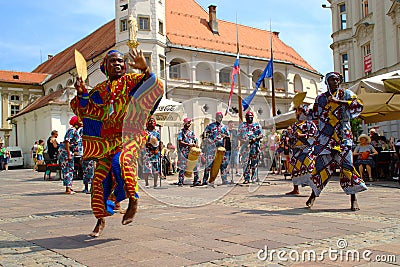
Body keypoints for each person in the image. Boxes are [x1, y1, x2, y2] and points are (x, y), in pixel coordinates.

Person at [71, 49, 163, 237]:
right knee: (98, 181)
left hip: (129, 137)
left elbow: (155, 87)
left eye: (121, 60)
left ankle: (133, 201)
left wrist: (146, 69)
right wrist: (82, 95)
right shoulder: (99, 90)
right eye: (113, 61)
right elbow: (87, 111)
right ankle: (100, 220)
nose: (117, 64)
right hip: (106, 143)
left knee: (120, 162)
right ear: (105, 65)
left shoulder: (132, 82)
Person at [308, 72, 367, 211]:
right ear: (326, 82)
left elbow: (358, 106)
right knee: (321, 167)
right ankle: (313, 196)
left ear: (340, 81)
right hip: (325, 138)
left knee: (347, 167)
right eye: (331, 79)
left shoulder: (346, 94)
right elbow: (314, 114)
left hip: (343, 137)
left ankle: (353, 199)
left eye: (336, 79)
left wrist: (338, 102)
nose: (334, 81)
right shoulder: (320, 98)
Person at [285, 104, 317, 195]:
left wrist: (302, 136)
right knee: (295, 169)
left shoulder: (310, 123)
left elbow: (315, 135)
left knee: (309, 169)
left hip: (306, 149)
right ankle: (296, 189)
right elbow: (292, 135)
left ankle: (313, 189)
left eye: (300, 111)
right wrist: (289, 139)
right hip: (296, 150)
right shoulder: (295, 124)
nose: (298, 113)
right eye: (297, 111)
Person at [201, 112, 230, 185]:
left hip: (221, 148)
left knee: (223, 164)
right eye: (218, 117)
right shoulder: (210, 126)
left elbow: (228, 137)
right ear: (216, 117)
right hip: (211, 148)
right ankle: (205, 180)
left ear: (222, 117)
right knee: (209, 164)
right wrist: (207, 140)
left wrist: (225, 136)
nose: (219, 118)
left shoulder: (224, 127)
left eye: (220, 117)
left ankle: (224, 179)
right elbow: (204, 135)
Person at [238, 111, 263, 184]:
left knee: (254, 163)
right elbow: (238, 135)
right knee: (245, 163)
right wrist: (243, 140)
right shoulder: (242, 125)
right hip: (245, 147)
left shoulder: (257, 125)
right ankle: (246, 178)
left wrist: (255, 139)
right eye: (248, 117)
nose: (249, 119)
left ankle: (254, 178)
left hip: (254, 147)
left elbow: (261, 135)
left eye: (251, 117)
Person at [58, 116, 81, 195]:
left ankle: (69, 186)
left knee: (70, 169)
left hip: (68, 152)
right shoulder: (72, 130)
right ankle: (68, 189)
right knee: (68, 170)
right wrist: (69, 154)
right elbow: (67, 141)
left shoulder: (75, 131)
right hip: (66, 152)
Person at [177, 118, 200, 186]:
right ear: (184, 123)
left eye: (189, 123)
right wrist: (188, 144)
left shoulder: (191, 132)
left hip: (191, 152)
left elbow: (195, 140)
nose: (188, 124)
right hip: (184, 151)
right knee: (183, 166)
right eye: (187, 123)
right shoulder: (181, 132)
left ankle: (196, 181)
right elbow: (180, 142)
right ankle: (180, 181)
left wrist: (196, 145)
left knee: (195, 165)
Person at [141, 117, 161, 188]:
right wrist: (148, 144)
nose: (152, 122)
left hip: (155, 152)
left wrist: (158, 148)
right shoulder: (145, 132)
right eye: (150, 121)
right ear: (147, 123)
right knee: (146, 167)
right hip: (147, 152)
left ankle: (155, 183)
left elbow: (159, 141)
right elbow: (142, 141)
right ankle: (146, 183)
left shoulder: (157, 132)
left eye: (153, 121)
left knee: (156, 167)